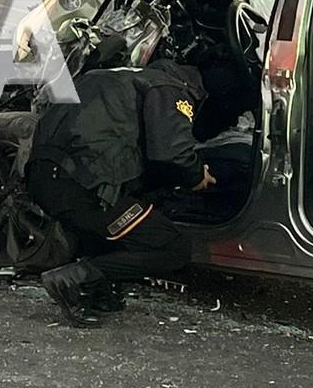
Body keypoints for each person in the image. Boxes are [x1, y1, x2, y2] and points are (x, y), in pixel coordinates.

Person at [25, 59, 214, 327]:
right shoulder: (169, 89)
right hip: (85, 190)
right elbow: (171, 153)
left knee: (113, 225)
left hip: (44, 180)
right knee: (173, 247)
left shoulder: (102, 75)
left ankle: (97, 294)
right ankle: (74, 279)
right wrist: (197, 176)